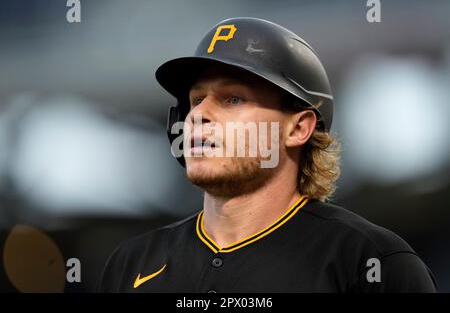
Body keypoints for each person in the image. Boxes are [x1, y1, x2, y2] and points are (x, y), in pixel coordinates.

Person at [98, 17, 437, 292]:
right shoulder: (133, 262)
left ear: (298, 128)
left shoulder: (370, 260)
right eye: (196, 100)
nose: (199, 115)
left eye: (233, 99)